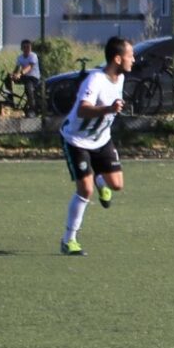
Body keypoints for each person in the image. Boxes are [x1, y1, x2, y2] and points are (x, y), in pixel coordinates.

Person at [58, 36, 134, 256]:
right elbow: (83, 109)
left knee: (117, 185)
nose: (134, 60)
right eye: (131, 56)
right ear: (118, 59)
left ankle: (100, 179)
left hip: (101, 140)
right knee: (85, 190)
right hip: (76, 140)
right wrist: (109, 109)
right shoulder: (95, 80)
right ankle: (68, 240)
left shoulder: (119, 78)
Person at [12, 39, 43, 114]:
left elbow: (29, 67)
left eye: (28, 47)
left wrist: (20, 74)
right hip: (25, 76)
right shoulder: (20, 57)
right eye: (24, 47)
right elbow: (17, 68)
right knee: (8, 78)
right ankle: (10, 100)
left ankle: (32, 109)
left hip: (34, 77)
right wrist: (13, 74)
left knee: (29, 86)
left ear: (31, 48)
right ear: (21, 48)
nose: (26, 49)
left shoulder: (33, 56)